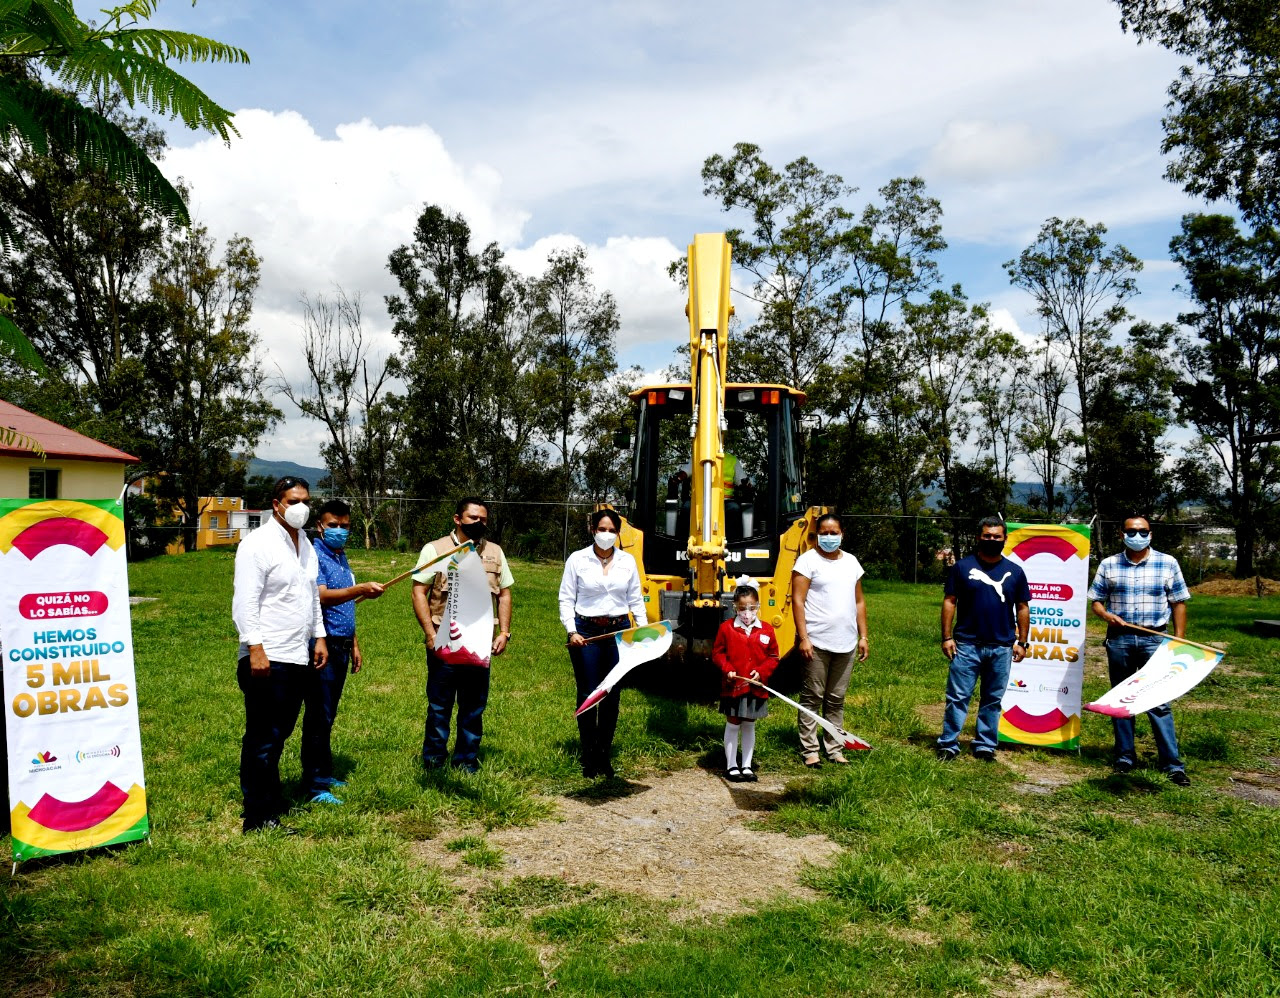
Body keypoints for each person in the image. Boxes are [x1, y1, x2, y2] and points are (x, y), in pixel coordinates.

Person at [232, 476, 328, 833]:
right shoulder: (257, 544)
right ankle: (258, 816)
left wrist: (319, 636)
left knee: (280, 732)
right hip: (267, 655)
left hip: (297, 654)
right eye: (293, 500)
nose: (301, 507)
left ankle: (269, 797)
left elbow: (311, 596)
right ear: (277, 504)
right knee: (263, 736)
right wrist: (255, 648)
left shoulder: (306, 544)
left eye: (306, 501)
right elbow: (245, 601)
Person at [411, 497, 513, 773]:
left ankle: (466, 761)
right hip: (443, 642)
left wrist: (504, 632)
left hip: (478, 644)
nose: (479, 523)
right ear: (457, 519)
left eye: (483, 519)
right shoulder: (435, 550)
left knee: (473, 707)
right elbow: (419, 591)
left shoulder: (495, 552)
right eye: (473, 518)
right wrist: (430, 634)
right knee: (439, 706)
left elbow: (504, 594)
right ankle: (433, 762)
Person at [1088, 516, 1192, 785]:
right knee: (1122, 699)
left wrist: (1178, 640)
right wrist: (1106, 615)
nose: (1137, 535)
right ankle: (1124, 757)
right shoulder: (1109, 564)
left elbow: (1179, 602)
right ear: (1121, 534)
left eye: (1143, 531)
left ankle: (1172, 764)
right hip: (1119, 640)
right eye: (1132, 531)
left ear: (1151, 534)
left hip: (1155, 640)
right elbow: (1096, 601)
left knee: (1159, 701)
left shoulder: (1168, 563)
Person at [300, 499, 385, 805]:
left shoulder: (340, 555)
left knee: (328, 714)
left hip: (342, 644)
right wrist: (360, 589)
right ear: (320, 526)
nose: (340, 531)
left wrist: (354, 643)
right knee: (319, 715)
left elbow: (345, 605)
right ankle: (315, 784)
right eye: (333, 525)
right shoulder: (314, 555)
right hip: (322, 646)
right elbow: (321, 597)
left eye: (345, 526)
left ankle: (322, 772)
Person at [559, 509, 645, 778]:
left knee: (611, 692)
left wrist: (643, 630)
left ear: (618, 533)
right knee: (588, 692)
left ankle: (603, 754)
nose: (606, 535)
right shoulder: (577, 559)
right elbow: (566, 598)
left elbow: (635, 599)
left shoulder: (627, 561)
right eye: (602, 529)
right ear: (593, 530)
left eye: (612, 530)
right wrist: (572, 631)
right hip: (586, 632)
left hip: (618, 631)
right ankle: (588, 754)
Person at [937, 516, 1031, 762]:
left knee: (992, 699)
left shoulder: (1015, 571)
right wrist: (946, 637)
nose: (992, 540)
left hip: (1001, 647)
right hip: (967, 645)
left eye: (996, 536)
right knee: (958, 697)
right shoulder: (962, 567)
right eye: (987, 536)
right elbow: (950, 601)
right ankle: (948, 744)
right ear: (979, 537)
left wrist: (1022, 642)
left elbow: (1022, 607)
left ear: (1005, 539)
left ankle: (985, 745)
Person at [791, 512, 869, 767]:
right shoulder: (807, 561)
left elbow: (859, 601)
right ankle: (810, 750)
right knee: (812, 697)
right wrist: (804, 637)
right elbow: (798, 601)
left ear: (842, 534)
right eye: (824, 533)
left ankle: (834, 748)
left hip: (845, 643)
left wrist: (863, 636)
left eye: (833, 533)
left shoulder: (852, 562)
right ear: (816, 535)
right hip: (816, 642)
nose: (829, 537)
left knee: (836, 698)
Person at [712, 580, 779, 782]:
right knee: (733, 723)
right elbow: (717, 653)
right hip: (733, 687)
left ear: (758, 606)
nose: (747, 613)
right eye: (742, 608)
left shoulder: (767, 630)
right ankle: (731, 765)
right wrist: (728, 669)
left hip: (755, 688)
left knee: (749, 724)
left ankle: (747, 765)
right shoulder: (726, 628)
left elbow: (773, 656)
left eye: (752, 608)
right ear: (735, 607)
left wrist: (762, 672)